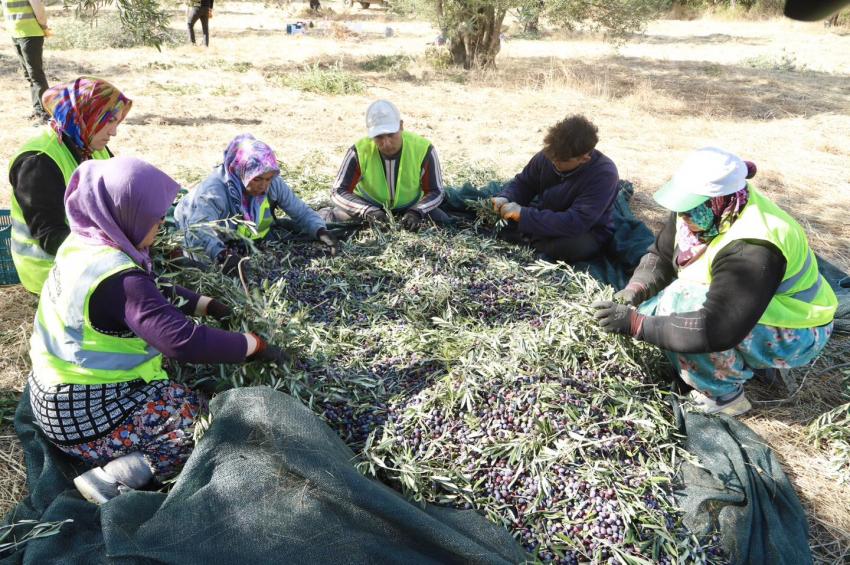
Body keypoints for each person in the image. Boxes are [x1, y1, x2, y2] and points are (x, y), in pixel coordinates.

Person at [28, 156, 289, 505]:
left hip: (49, 392)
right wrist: (252, 345)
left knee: (183, 388)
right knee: (198, 424)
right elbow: (184, 342)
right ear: (127, 213)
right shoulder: (120, 277)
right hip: (81, 414)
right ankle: (112, 478)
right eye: (155, 217)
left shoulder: (85, 244)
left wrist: (204, 303)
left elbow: (145, 296)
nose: (162, 224)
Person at [592, 147, 837, 416]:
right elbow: (660, 256)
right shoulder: (702, 213)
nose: (683, 217)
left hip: (797, 329)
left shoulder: (753, 244)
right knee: (659, 306)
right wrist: (634, 290)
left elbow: (715, 328)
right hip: (751, 308)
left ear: (721, 200)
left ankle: (723, 396)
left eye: (689, 208)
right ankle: (744, 361)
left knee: (678, 303)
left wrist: (635, 323)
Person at [9, 76, 132, 294]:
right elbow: (51, 237)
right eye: (109, 120)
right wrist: (115, 248)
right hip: (51, 270)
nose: (114, 131)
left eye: (116, 121)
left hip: (87, 250)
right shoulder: (38, 161)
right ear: (84, 116)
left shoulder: (89, 143)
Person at [174, 134, 337, 274]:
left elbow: (299, 210)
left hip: (238, 232)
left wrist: (320, 229)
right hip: (193, 223)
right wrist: (221, 255)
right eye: (257, 179)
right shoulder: (214, 192)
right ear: (241, 171)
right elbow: (199, 229)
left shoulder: (273, 184)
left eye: (268, 179)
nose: (264, 186)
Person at [491, 114, 619, 263]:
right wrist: (506, 197)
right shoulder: (550, 154)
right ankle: (532, 238)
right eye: (551, 156)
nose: (553, 161)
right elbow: (524, 183)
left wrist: (524, 216)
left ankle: (530, 238)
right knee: (499, 219)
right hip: (546, 214)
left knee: (571, 247)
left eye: (561, 160)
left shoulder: (604, 174)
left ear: (584, 158)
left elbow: (576, 222)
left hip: (584, 229)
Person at [319, 99, 447, 231]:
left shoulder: (423, 149)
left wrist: (417, 211)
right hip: (368, 207)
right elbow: (338, 191)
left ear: (401, 126)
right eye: (379, 137)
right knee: (332, 220)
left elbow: (436, 191)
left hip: (411, 207)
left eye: (391, 135)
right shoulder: (359, 151)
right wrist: (368, 211)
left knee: (444, 223)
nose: (386, 143)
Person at [2, 0, 50, 122]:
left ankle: (46, 113)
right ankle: (38, 110)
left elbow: (39, 10)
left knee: (36, 75)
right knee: (29, 75)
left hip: (31, 34)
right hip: (16, 35)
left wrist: (44, 26)